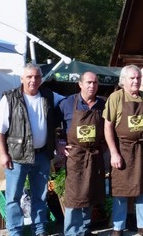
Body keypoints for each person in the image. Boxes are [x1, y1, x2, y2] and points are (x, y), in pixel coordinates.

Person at [0, 63, 63, 236]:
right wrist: (3, 154)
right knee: (13, 198)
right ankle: (15, 232)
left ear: (41, 79)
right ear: (21, 78)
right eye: (29, 76)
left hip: (42, 156)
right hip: (17, 157)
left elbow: (72, 100)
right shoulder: (10, 98)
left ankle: (39, 230)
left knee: (40, 196)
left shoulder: (49, 96)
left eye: (37, 77)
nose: (33, 80)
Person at [103, 65, 143, 236]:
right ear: (123, 81)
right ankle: (118, 227)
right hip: (123, 150)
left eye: (138, 78)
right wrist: (113, 152)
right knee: (120, 190)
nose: (136, 81)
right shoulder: (115, 98)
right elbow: (108, 127)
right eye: (132, 78)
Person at [57, 72, 106, 236]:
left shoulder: (103, 104)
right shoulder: (67, 103)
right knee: (74, 194)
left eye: (95, 83)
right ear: (80, 84)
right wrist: (58, 143)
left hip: (95, 155)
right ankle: (72, 231)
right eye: (88, 82)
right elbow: (51, 125)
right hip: (75, 156)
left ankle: (84, 230)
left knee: (90, 191)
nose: (92, 86)